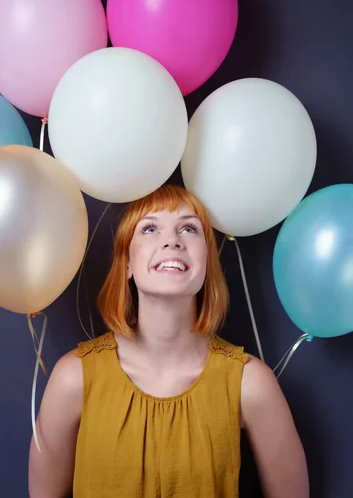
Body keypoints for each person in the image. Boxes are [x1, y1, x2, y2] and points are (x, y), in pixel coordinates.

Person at [28, 184, 309, 498]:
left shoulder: (250, 383)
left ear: (207, 262)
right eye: (149, 228)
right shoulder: (73, 378)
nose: (172, 241)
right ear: (127, 264)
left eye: (189, 228)